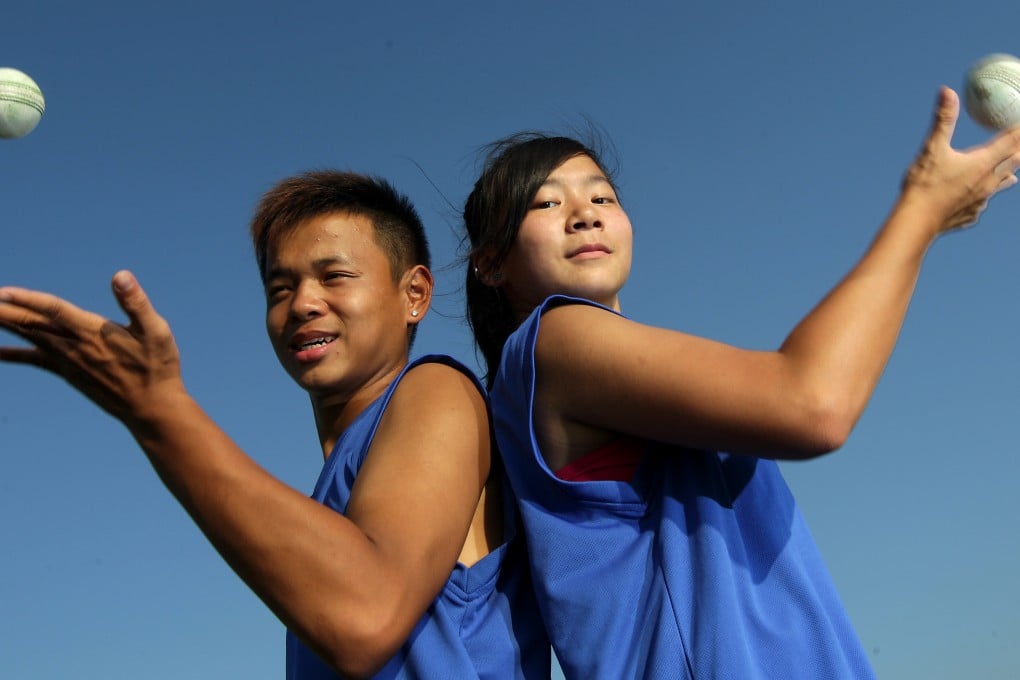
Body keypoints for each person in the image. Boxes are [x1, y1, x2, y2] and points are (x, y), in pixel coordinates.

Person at [461, 87, 1020, 679]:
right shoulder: (554, 342)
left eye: (602, 194)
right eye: (546, 205)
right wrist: (921, 213)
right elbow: (812, 404)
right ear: (491, 262)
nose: (586, 212)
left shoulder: (614, 375)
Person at [0, 171, 549, 679]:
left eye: (334, 276)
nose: (303, 303)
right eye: (279, 289)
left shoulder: (436, 389)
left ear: (414, 294)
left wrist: (160, 412)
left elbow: (367, 613)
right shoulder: (335, 492)